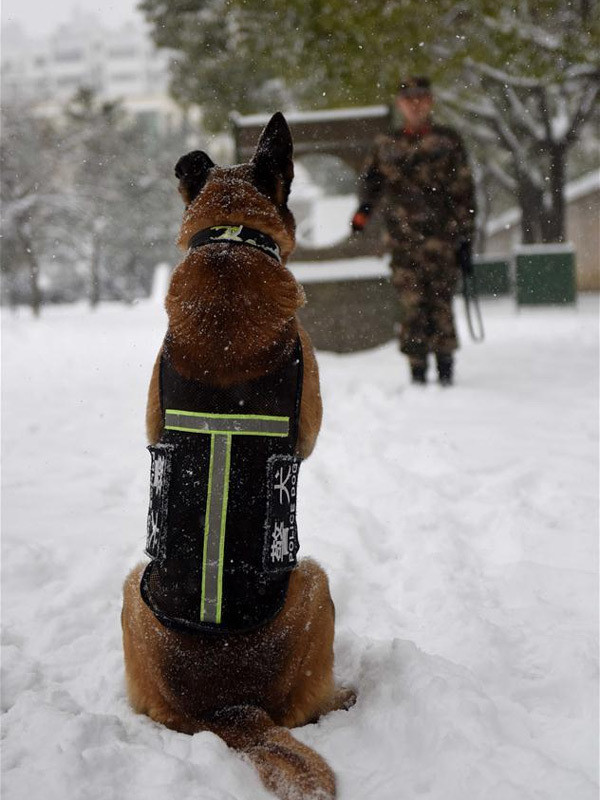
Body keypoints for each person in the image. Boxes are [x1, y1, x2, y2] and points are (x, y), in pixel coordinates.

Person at [351, 76, 476, 386]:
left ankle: (446, 367)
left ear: (430, 101)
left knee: (441, 303)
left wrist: (465, 238)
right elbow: (372, 184)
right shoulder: (386, 145)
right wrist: (362, 214)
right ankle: (417, 369)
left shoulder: (448, 141)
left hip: (442, 240)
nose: (415, 103)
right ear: (400, 104)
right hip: (402, 241)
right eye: (409, 98)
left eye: (421, 97)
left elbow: (464, 192)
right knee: (411, 305)